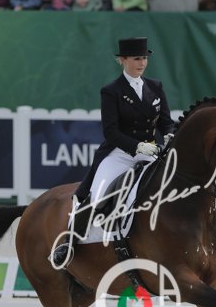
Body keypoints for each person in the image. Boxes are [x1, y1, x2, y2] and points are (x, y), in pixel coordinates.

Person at [50, 37, 174, 269]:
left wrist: (169, 135)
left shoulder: (155, 87)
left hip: (152, 152)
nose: (142, 63)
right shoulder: (111, 91)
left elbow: (166, 121)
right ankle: (69, 242)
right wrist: (137, 146)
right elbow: (111, 132)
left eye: (144, 58)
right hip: (121, 153)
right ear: (123, 60)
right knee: (97, 195)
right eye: (136, 59)